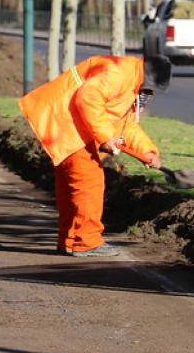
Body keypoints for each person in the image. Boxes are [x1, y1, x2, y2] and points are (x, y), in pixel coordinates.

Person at [19, 55, 172, 257]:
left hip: (69, 125)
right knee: (89, 182)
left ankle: (70, 240)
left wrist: (148, 151)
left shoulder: (131, 79)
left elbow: (124, 125)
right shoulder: (118, 74)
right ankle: (87, 242)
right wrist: (106, 137)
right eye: (150, 88)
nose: (149, 94)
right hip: (68, 124)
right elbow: (87, 98)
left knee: (71, 185)